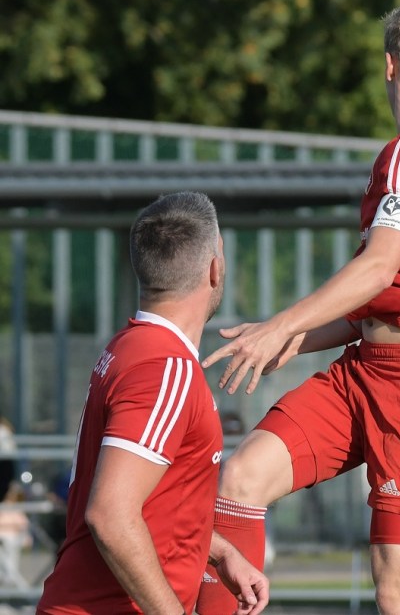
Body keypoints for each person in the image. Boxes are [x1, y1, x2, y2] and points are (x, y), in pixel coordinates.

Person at [195, 0, 400, 615]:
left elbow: (378, 266)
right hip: (364, 371)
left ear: (389, 65)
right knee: (241, 479)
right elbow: (385, 294)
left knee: (399, 593)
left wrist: (282, 323)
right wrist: (294, 338)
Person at [37, 192, 269, 615]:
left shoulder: (131, 347)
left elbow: (151, 501)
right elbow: (110, 514)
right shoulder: (165, 366)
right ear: (215, 268)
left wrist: (220, 552)